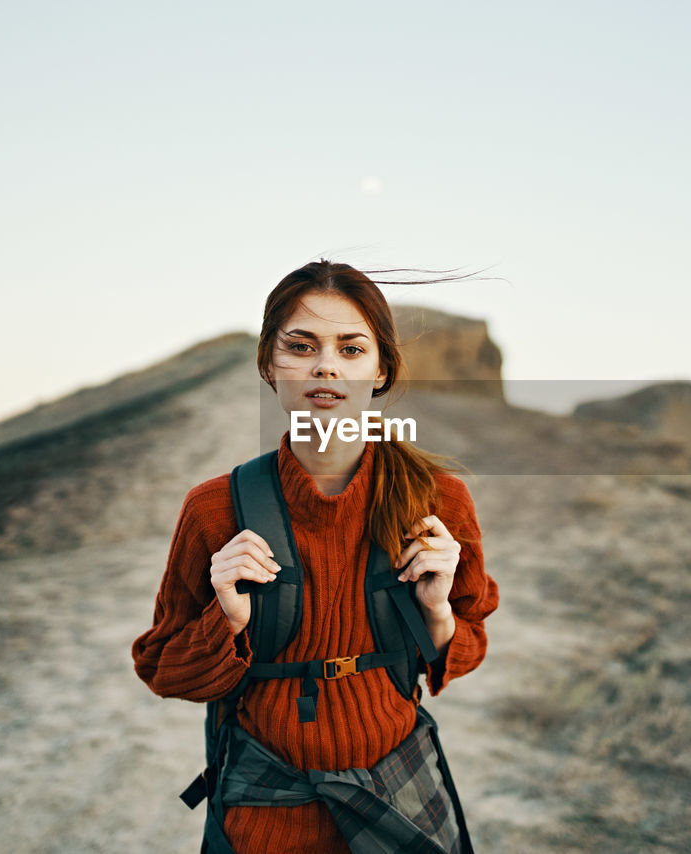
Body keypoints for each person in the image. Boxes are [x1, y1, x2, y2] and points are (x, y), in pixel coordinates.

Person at [131, 259, 500, 853]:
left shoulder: (437, 501)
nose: (326, 365)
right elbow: (163, 668)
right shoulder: (214, 510)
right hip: (266, 809)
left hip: (400, 793)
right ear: (268, 365)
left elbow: (469, 639)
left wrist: (436, 614)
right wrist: (225, 619)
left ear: (381, 369)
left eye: (351, 349)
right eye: (301, 346)